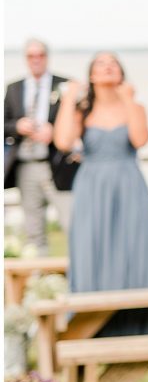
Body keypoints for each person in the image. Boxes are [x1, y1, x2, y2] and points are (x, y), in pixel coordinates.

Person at [53, 52, 148, 337]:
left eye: (113, 63)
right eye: (100, 64)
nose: (107, 67)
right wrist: (68, 99)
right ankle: (92, 325)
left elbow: (140, 139)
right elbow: (64, 141)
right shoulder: (82, 110)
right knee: (92, 246)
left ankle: (138, 324)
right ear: (91, 75)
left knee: (134, 245)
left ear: (121, 73)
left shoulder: (135, 106)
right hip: (93, 186)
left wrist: (128, 99)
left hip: (128, 183)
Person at [3, 39, 72, 255]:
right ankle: (39, 281)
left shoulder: (65, 85)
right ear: (26, 59)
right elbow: (4, 124)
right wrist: (18, 126)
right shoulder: (14, 88)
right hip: (25, 166)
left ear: (47, 57)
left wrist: (55, 132)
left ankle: (78, 278)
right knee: (33, 230)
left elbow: (78, 122)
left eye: (40, 55)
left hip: (57, 165)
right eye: (31, 56)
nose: (36, 60)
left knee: (71, 223)